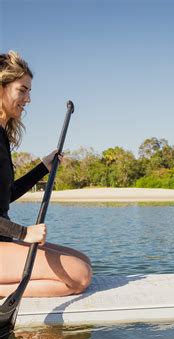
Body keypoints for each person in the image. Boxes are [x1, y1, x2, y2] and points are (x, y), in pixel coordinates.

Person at [0, 51, 92, 297]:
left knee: (82, 260)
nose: (28, 99)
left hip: (2, 241)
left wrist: (43, 168)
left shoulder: (2, 137)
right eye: (22, 90)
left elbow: (5, 196)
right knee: (79, 275)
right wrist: (24, 233)